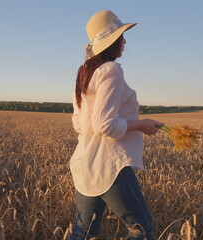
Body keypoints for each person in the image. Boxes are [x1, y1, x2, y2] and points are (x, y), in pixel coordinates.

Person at [69, 10, 164, 240]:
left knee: (83, 232)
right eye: (121, 35)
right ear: (111, 41)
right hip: (109, 166)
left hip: (85, 164)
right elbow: (105, 125)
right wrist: (140, 125)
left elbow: (79, 124)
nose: (125, 40)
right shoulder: (112, 70)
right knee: (142, 228)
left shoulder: (85, 72)